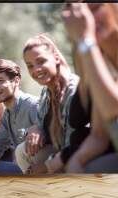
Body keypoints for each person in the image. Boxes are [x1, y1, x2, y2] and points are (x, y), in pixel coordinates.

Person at [62, 3, 118, 172]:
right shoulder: (103, 63)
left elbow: (114, 106)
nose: (87, 20)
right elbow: (99, 135)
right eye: (82, 15)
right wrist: (75, 162)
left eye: (95, 9)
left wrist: (85, 39)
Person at [15, 34, 80, 174]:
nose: (36, 70)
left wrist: (47, 166)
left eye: (41, 61)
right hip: (58, 151)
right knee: (22, 150)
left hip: (77, 154)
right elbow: (40, 123)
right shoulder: (46, 92)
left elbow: (75, 143)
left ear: (56, 58)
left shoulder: (75, 91)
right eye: (30, 66)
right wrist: (35, 128)